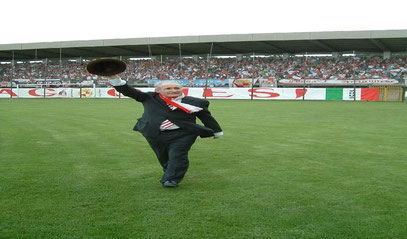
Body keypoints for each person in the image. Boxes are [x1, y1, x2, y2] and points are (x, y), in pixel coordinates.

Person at [108, 77, 223, 188]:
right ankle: (170, 170)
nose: (173, 90)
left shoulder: (196, 102)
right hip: (155, 133)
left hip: (184, 134)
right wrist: (114, 77)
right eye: (168, 88)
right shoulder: (149, 98)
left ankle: (171, 179)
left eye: (176, 88)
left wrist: (217, 131)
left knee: (178, 155)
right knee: (162, 155)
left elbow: (206, 118)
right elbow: (128, 91)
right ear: (158, 91)